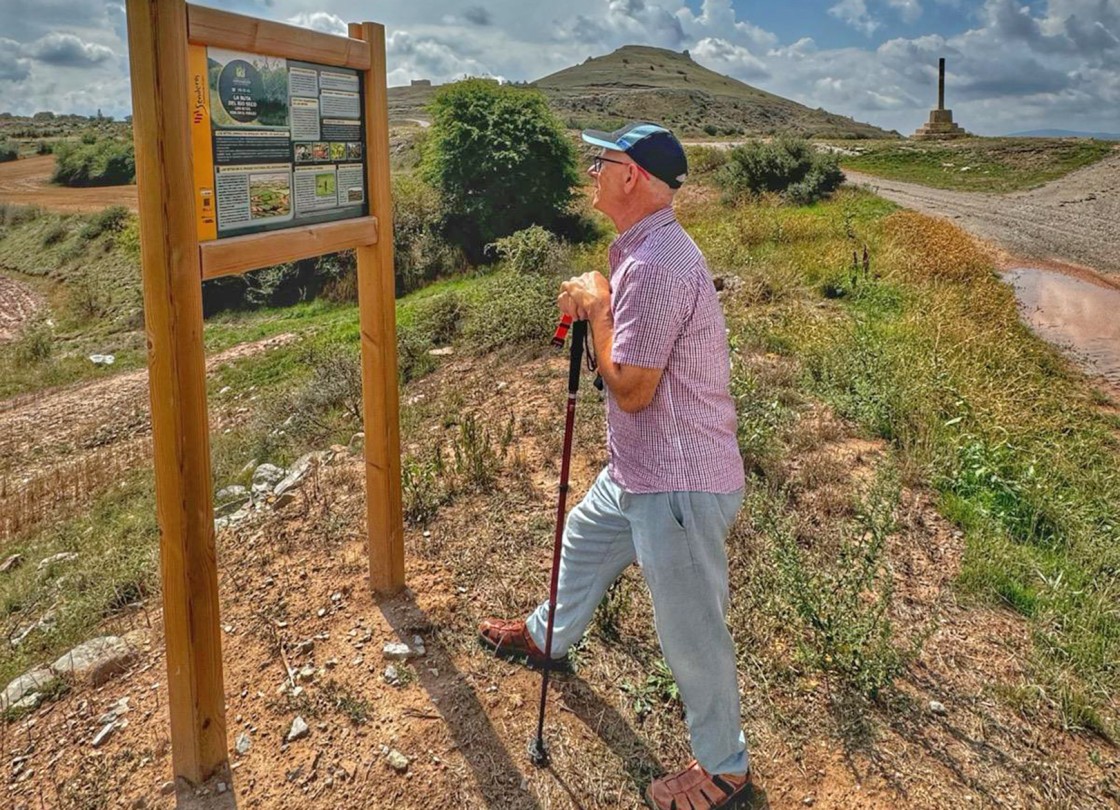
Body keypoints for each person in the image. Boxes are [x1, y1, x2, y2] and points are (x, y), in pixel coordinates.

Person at [478, 122, 750, 810]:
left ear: (634, 177)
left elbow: (631, 388)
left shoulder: (657, 265)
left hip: (677, 484)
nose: (592, 168)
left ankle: (725, 769)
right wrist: (603, 294)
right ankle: (547, 636)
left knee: (691, 632)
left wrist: (598, 309)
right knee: (581, 540)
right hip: (641, 470)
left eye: (603, 160)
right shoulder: (641, 250)